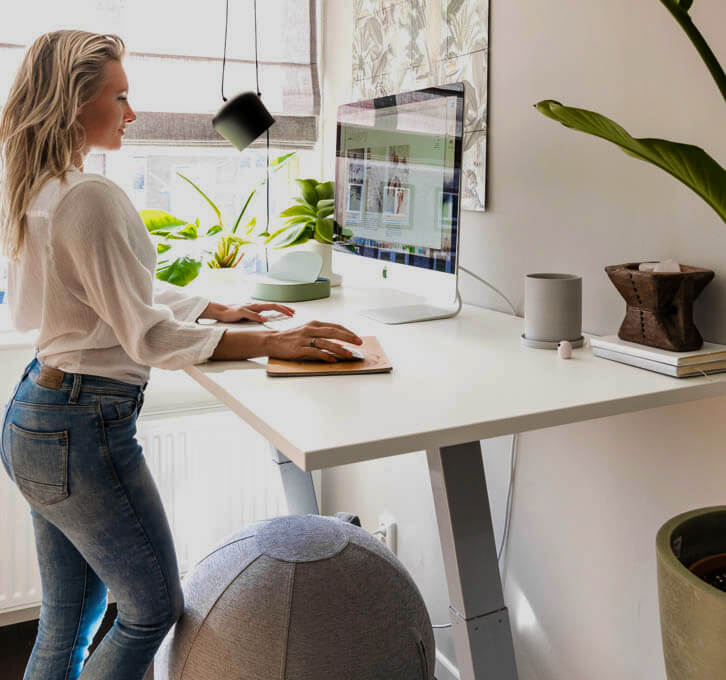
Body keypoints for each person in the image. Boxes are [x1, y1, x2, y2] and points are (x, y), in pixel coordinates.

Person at [0, 30, 362, 680]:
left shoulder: (41, 189)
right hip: (82, 426)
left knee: (67, 619)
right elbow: (146, 335)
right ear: (77, 103)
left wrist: (215, 309)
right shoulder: (90, 197)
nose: (133, 114)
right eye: (121, 97)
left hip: (35, 415)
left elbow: (107, 289)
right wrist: (271, 341)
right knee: (150, 610)